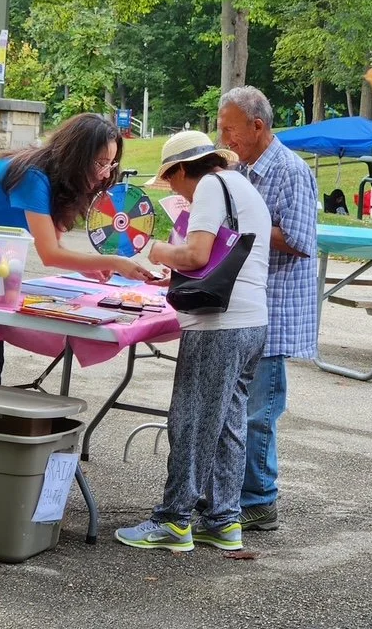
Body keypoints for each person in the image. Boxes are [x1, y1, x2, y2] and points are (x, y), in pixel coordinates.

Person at [114, 130, 271, 552]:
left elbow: (198, 255)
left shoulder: (208, 188)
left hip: (218, 325)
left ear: (183, 169)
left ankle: (174, 520)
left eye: (171, 179)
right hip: (253, 321)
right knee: (228, 424)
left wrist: (159, 251)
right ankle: (223, 520)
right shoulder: (242, 186)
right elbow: (222, 256)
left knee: (192, 419)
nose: (173, 189)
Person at [0, 113, 152, 384]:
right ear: (76, 156)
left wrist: (90, 267)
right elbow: (50, 254)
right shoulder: (33, 175)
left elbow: (55, 243)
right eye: (99, 163)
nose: (104, 174)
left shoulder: (59, 180)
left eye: (110, 164)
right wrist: (114, 262)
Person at [217, 86, 318, 530]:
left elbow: (299, 240)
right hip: (246, 306)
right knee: (238, 408)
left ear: (257, 127)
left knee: (260, 411)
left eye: (229, 130)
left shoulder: (290, 170)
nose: (224, 139)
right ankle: (231, 493)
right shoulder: (242, 170)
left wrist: (245, 225)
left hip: (275, 309)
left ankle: (260, 499)